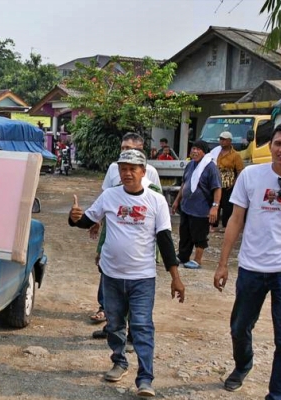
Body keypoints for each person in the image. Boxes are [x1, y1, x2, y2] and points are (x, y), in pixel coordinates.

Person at [214, 123, 281, 399]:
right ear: (270, 145)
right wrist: (223, 263)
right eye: (278, 143)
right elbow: (236, 219)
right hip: (252, 267)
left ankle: (277, 394)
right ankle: (243, 365)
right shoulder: (251, 175)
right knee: (239, 327)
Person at [70, 149, 185, 397]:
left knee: (142, 326)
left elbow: (165, 240)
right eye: (123, 169)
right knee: (114, 324)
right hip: (111, 275)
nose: (128, 173)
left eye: (133, 169)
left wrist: (175, 277)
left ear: (144, 172)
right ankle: (119, 361)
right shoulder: (109, 196)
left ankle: (145, 378)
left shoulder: (156, 201)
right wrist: (73, 218)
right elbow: (87, 220)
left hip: (142, 277)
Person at [90, 133, 161, 327]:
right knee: (107, 272)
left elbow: (156, 213)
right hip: (114, 231)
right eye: (123, 148)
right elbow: (105, 200)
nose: (125, 152)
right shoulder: (114, 169)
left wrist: (155, 251)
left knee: (135, 288)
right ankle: (108, 316)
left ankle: (132, 331)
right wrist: (97, 224)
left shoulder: (151, 173)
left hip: (138, 240)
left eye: (130, 149)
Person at [171, 140, 221, 269]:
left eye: (198, 149)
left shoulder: (210, 167)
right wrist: (177, 201)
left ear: (204, 152)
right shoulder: (190, 165)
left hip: (201, 209)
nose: (195, 151)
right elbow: (184, 183)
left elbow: (217, 188)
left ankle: (197, 260)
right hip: (187, 207)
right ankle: (183, 256)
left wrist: (215, 207)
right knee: (185, 233)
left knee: (199, 235)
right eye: (193, 148)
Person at [210, 131, 244, 232]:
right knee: (215, 203)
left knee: (227, 206)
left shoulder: (235, 155)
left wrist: (235, 183)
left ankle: (225, 226)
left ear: (229, 141)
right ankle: (213, 225)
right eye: (221, 139)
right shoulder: (216, 152)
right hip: (216, 183)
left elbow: (240, 171)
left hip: (229, 184)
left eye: (224, 139)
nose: (222, 141)